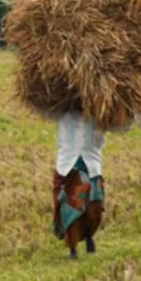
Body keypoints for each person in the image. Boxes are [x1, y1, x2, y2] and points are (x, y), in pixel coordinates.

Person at [54, 110, 105, 259]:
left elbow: (119, 126)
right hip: (68, 166)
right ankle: (73, 247)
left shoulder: (98, 113)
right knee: (69, 209)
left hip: (91, 165)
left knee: (92, 208)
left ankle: (89, 236)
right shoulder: (64, 113)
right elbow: (44, 109)